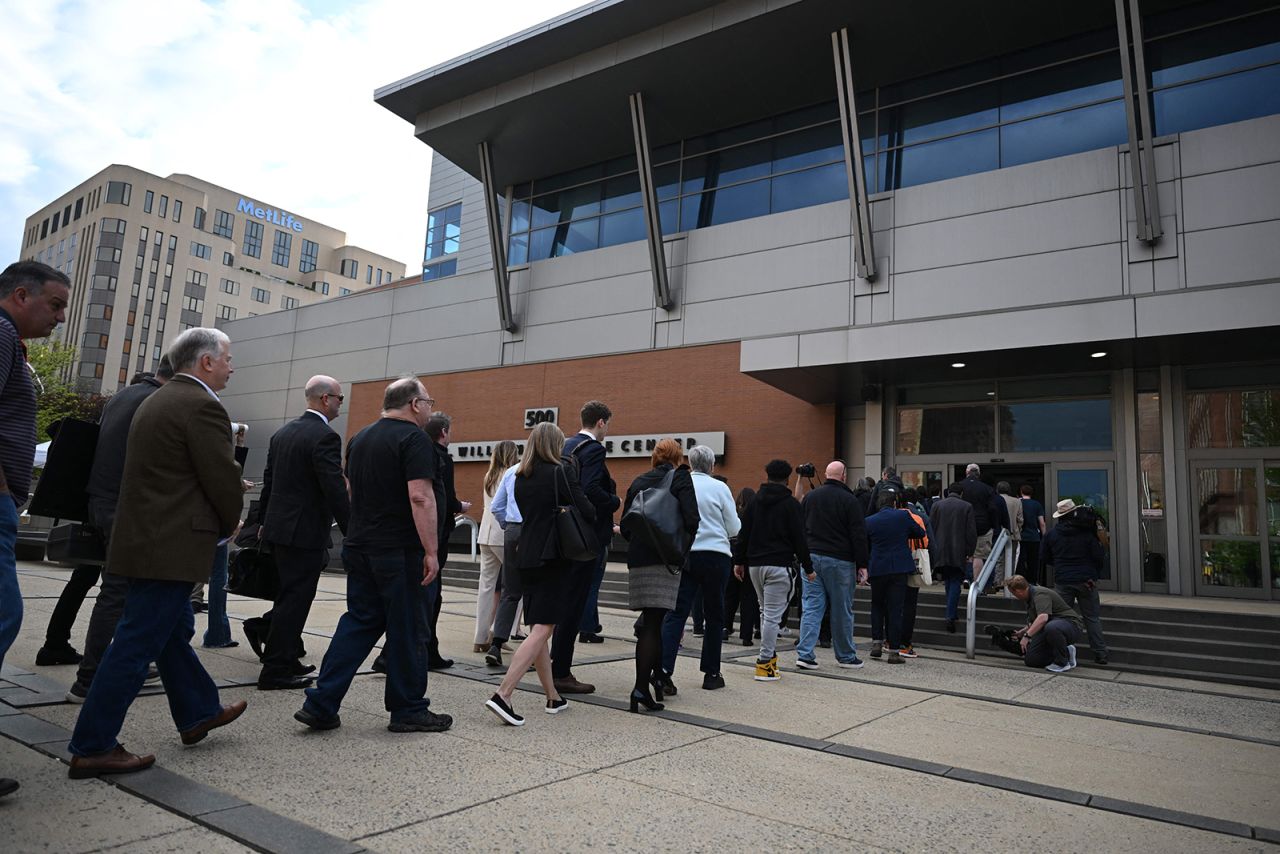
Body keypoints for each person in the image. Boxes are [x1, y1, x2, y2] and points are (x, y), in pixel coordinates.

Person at [67, 327, 247, 778]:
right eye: (226, 358)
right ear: (205, 361)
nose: (231, 366)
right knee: (135, 643)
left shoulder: (156, 399)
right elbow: (221, 478)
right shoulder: (202, 405)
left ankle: (198, 711)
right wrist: (230, 524)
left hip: (147, 538)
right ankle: (93, 744)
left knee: (169, 630)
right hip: (170, 544)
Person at [295, 377, 452, 734]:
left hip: (362, 546)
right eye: (428, 401)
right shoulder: (415, 440)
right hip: (399, 551)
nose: (430, 407)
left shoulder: (360, 438)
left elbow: (350, 489)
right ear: (414, 404)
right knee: (410, 628)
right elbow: (420, 497)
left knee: (359, 622)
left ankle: (321, 702)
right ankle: (408, 708)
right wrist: (431, 550)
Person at [65, 359, 174, 703]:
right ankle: (90, 680)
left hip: (101, 501)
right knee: (118, 592)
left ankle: (125, 666)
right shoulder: (156, 402)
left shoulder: (125, 396)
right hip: (126, 507)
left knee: (132, 593)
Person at [0, 261, 69, 795]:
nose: (61, 317)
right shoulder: (0, 333)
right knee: (4, 613)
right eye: (56, 304)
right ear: (21, 295)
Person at [484, 423, 592, 726]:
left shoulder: (519, 475)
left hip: (524, 553)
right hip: (552, 556)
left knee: (538, 626)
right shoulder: (561, 471)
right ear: (555, 445)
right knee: (544, 627)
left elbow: (505, 512)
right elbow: (585, 508)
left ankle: (553, 696)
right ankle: (503, 694)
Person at [253, 376, 351, 690]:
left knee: (287, 597)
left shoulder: (283, 434)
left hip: (280, 529)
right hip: (304, 533)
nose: (340, 403)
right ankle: (276, 669)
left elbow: (269, 482)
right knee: (295, 600)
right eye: (339, 397)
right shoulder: (325, 437)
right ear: (325, 399)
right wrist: (352, 529)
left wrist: (261, 524)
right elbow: (334, 489)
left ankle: (286, 656)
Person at [621, 439, 699, 706]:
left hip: (639, 558)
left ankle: (656, 680)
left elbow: (626, 525)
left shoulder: (639, 480)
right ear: (677, 457)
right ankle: (641, 688)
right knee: (654, 623)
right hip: (664, 559)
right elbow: (693, 519)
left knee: (650, 621)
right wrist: (679, 549)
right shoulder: (680, 478)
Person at [553, 401, 620, 695]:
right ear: (602, 423)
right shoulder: (593, 449)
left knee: (563, 600)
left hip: (562, 532)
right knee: (574, 603)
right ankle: (561, 672)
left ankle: (555, 665)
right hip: (585, 537)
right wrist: (612, 502)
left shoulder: (565, 446)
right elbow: (591, 488)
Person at [659, 445, 733, 691]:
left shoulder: (679, 483)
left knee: (677, 612)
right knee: (714, 615)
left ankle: (664, 670)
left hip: (686, 552)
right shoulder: (720, 487)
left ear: (690, 462)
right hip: (716, 554)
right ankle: (711, 673)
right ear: (712, 466)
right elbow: (734, 528)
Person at [734, 460, 811, 683]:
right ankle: (765, 662)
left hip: (755, 566)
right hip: (779, 565)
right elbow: (800, 539)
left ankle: (768, 659)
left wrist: (739, 561)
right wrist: (808, 567)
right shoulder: (791, 505)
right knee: (772, 617)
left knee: (764, 611)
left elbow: (743, 533)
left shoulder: (755, 501)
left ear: (767, 476)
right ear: (787, 478)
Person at [795, 461, 868, 671]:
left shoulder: (811, 497)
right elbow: (858, 534)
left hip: (811, 558)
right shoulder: (849, 500)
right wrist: (862, 564)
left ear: (826, 475)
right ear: (844, 476)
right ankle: (845, 656)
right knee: (841, 609)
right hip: (840, 561)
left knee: (811, 607)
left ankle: (805, 654)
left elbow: (801, 527)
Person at [425, 412, 469, 671]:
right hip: (436, 534)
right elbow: (445, 498)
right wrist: (461, 506)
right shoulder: (441, 458)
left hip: (419, 533)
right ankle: (427, 650)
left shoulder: (419, 452)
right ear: (443, 432)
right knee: (432, 595)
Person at [1043, 499, 1110, 665]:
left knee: (1061, 618)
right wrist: (1093, 574)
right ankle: (1100, 653)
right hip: (1086, 581)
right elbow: (1098, 556)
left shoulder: (1052, 534)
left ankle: (1061, 652)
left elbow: (1045, 557)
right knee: (1092, 618)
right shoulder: (1087, 533)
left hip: (1063, 580)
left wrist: (1060, 565)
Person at [865, 491, 925, 664]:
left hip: (878, 567)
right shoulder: (903, 517)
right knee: (895, 609)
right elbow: (920, 533)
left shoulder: (870, 521)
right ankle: (893, 652)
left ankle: (876, 643)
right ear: (894, 503)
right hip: (899, 568)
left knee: (877, 605)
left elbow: (864, 541)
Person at [475, 440, 520, 652]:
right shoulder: (512, 474)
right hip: (503, 534)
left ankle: (480, 637)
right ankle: (500, 632)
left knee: (485, 587)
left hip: (485, 533)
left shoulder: (488, 475)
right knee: (516, 586)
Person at [485, 450, 525, 668]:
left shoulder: (511, 471)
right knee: (538, 592)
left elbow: (496, 507)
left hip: (512, 531)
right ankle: (534, 653)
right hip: (536, 533)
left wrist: (507, 526)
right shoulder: (551, 471)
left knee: (510, 591)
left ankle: (497, 644)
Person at [1007, 574, 1083, 672]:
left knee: (1052, 627)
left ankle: (1062, 663)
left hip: (1070, 625)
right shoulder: (1028, 598)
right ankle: (1067, 652)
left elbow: (1043, 617)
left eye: (1013, 593)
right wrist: (1022, 632)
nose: (1015, 596)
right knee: (1032, 660)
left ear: (1018, 591)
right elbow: (1036, 621)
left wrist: (1026, 636)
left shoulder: (1040, 594)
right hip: (1050, 628)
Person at [929, 484, 977, 633]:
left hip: (940, 549)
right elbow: (971, 531)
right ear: (961, 493)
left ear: (948, 492)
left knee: (948, 580)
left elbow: (931, 527)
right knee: (955, 580)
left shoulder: (937, 506)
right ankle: (950, 615)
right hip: (958, 549)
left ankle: (951, 612)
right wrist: (970, 551)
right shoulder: (967, 506)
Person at [958, 463, 1010, 589]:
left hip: (962, 524)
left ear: (967, 472)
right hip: (982, 526)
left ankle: (965, 577)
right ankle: (977, 584)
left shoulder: (959, 486)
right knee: (979, 555)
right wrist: (995, 526)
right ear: (978, 474)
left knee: (964, 552)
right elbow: (992, 509)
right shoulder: (987, 489)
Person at [897, 492, 933, 658]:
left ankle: (891, 640)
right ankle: (905, 642)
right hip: (914, 564)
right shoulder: (920, 517)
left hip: (896, 564)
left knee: (894, 603)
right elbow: (928, 542)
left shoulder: (894, 517)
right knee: (910, 604)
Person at [722, 487, 759, 646]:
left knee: (729, 596)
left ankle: (725, 627)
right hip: (750, 559)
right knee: (749, 598)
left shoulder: (734, 516)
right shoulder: (756, 517)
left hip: (732, 557)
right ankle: (746, 635)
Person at [996, 481, 1025, 592]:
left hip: (998, 535)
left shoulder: (995, 500)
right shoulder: (1016, 501)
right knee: (1011, 559)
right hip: (1013, 534)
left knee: (998, 559)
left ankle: (998, 582)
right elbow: (1020, 519)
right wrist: (1017, 530)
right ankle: (1009, 583)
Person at [1018, 484, 1047, 584]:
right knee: (1033, 561)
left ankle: (1020, 582)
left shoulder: (1018, 503)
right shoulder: (1036, 504)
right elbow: (1042, 523)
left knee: (1020, 561)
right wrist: (1044, 537)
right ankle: (1033, 581)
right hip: (1034, 537)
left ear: (1021, 492)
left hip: (1020, 537)